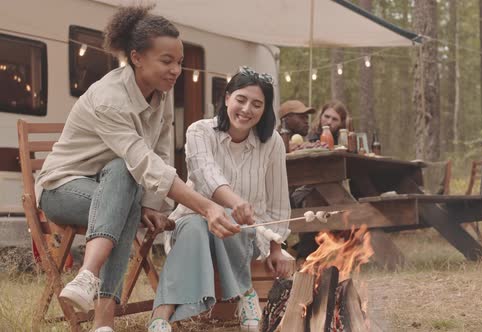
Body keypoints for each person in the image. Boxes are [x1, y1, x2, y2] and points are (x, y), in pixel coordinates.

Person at [35, 6, 232, 332]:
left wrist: (151, 205)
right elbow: (143, 161)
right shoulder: (110, 97)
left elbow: (162, 149)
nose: (175, 70)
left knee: (123, 183)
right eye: (166, 61)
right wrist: (208, 206)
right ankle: (100, 312)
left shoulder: (161, 92)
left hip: (113, 187)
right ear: (137, 57)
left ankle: (90, 285)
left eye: (180, 62)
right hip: (62, 189)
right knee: (125, 182)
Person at [150, 66, 292, 332]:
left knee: (229, 219)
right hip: (193, 223)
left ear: (265, 110)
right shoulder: (199, 131)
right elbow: (206, 174)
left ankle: (165, 314)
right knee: (195, 224)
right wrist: (236, 202)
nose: (247, 109)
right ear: (227, 98)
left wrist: (276, 246)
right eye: (241, 99)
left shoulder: (272, 143)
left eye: (257, 104)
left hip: (246, 236)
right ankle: (163, 316)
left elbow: (278, 200)